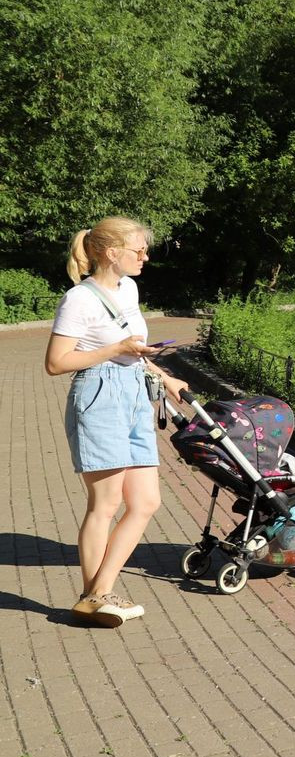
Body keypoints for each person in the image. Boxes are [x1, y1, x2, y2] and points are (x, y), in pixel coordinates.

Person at [44, 217, 188, 628]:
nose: (146, 257)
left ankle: (97, 593)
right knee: (105, 504)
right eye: (139, 250)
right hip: (99, 395)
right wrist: (114, 349)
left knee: (145, 502)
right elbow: (56, 363)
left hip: (134, 393)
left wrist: (164, 377)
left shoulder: (129, 288)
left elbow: (132, 349)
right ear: (111, 253)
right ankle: (96, 597)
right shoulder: (79, 299)